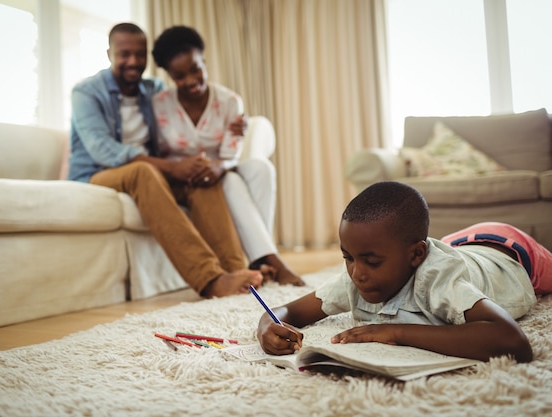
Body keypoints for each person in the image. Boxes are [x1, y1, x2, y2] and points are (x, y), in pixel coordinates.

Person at [68, 22, 263, 298]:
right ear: (109, 53)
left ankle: (238, 272)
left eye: (140, 54)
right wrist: (172, 167)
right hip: (98, 174)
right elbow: (103, 151)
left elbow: (182, 119)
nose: (133, 61)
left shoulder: (153, 90)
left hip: (152, 172)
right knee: (142, 172)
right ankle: (210, 280)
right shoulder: (87, 92)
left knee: (199, 174)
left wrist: (235, 126)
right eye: (124, 54)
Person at [257, 181, 552, 363]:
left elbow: (514, 342)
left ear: (416, 256)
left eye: (372, 261)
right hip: (458, 243)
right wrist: (266, 326)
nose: (357, 273)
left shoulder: (439, 280)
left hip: (512, 253)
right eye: (348, 257)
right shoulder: (360, 274)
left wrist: (396, 331)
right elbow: (286, 311)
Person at [150, 25, 304, 287]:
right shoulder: (159, 105)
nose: (190, 80)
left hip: (222, 168)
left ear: (204, 61)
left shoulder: (230, 101)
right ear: (168, 75)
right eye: (179, 75)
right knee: (232, 182)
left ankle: (261, 258)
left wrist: (220, 167)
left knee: (260, 168)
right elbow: (155, 152)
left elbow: (230, 154)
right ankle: (268, 259)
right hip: (185, 179)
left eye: (196, 69)